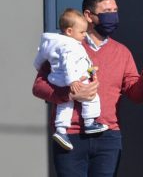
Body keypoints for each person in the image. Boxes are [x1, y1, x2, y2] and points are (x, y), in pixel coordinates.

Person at [32, 0, 143, 176]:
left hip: (108, 136)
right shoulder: (65, 46)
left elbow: (134, 94)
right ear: (88, 15)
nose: (114, 16)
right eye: (107, 12)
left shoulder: (122, 52)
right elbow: (38, 87)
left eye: (115, 11)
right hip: (70, 135)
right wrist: (69, 94)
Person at [33, 8, 108, 151]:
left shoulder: (51, 42)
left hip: (57, 79)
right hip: (74, 79)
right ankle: (90, 122)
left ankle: (61, 130)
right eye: (82, 32)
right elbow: (69, 64)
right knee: (91, 97)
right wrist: (73, 81)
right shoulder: (70, 45)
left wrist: (37, 67)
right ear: (69, 31)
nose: (85, 35)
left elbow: (39, 59)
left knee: (65, 104)